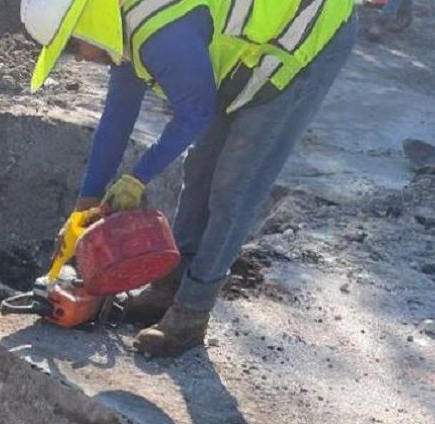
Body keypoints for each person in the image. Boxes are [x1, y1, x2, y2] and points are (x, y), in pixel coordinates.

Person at [22, 0, 357, 356]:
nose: (79, 58)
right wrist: (85, 201)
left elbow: (195, 112)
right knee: (199, 170)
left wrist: (137, 178)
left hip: (308, 35)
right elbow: (117, 115)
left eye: (73, 45)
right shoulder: (123, 30)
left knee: (234, 186)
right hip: (251, 48)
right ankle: (170, 285)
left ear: (89, 24)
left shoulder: (158, 35)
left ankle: (191, 315)